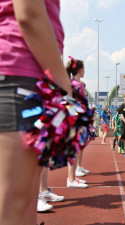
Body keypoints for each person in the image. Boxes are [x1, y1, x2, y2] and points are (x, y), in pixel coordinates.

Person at [0, 0, 72, 224]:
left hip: (26, 78)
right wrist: (63, 87)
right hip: (19, 74)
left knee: (25, 202)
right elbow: (29, 15)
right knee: (12, 204)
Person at [65, 57, 88, 189]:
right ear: (80, 70)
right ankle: (71, 179)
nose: (84, 71)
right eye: (84, 68)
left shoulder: (74, 84)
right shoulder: (76, 85)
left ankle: (73, 177)